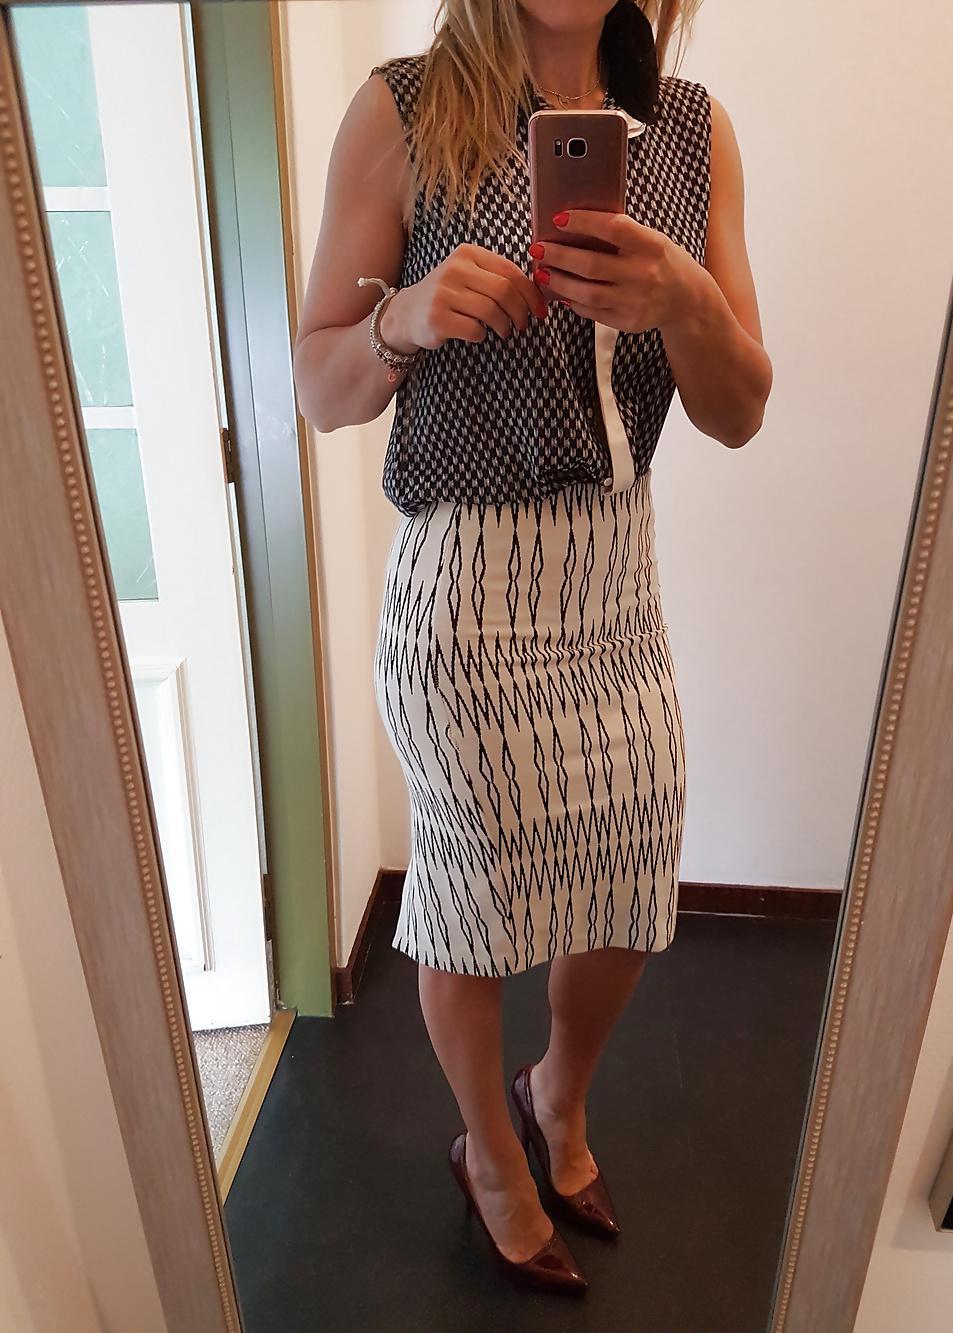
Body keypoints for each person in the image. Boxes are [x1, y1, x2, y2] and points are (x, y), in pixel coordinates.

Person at [294, 0, 772, 1295]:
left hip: (617, 579)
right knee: (469, 902)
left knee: (632, 867)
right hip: (465, 589)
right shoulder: (402, 115)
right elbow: (318, 384)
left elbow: (738, 409)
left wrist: (684, 298)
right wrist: (403, 320)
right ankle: (494, 1156)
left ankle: (557, 1094)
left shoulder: (692, 132)